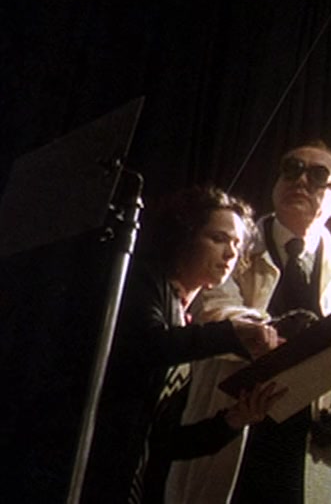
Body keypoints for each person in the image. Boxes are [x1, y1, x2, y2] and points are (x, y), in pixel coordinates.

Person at [167, 142, 331, 503]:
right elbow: (215, 308)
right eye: (292, 168)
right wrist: (277, 332)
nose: (301, 180)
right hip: (229, 431)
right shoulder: (235, 243)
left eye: (318, 175)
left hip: (304, 446)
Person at [84, 186, 283, 503]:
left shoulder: (184, 319)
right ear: (184, 236)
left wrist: (235, 418)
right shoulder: (143, 281)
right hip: (87, 473)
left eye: (236, 244)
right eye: (218, 239)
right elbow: (149, 345)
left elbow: (165, 442)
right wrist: (230, 333)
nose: (230, 254)